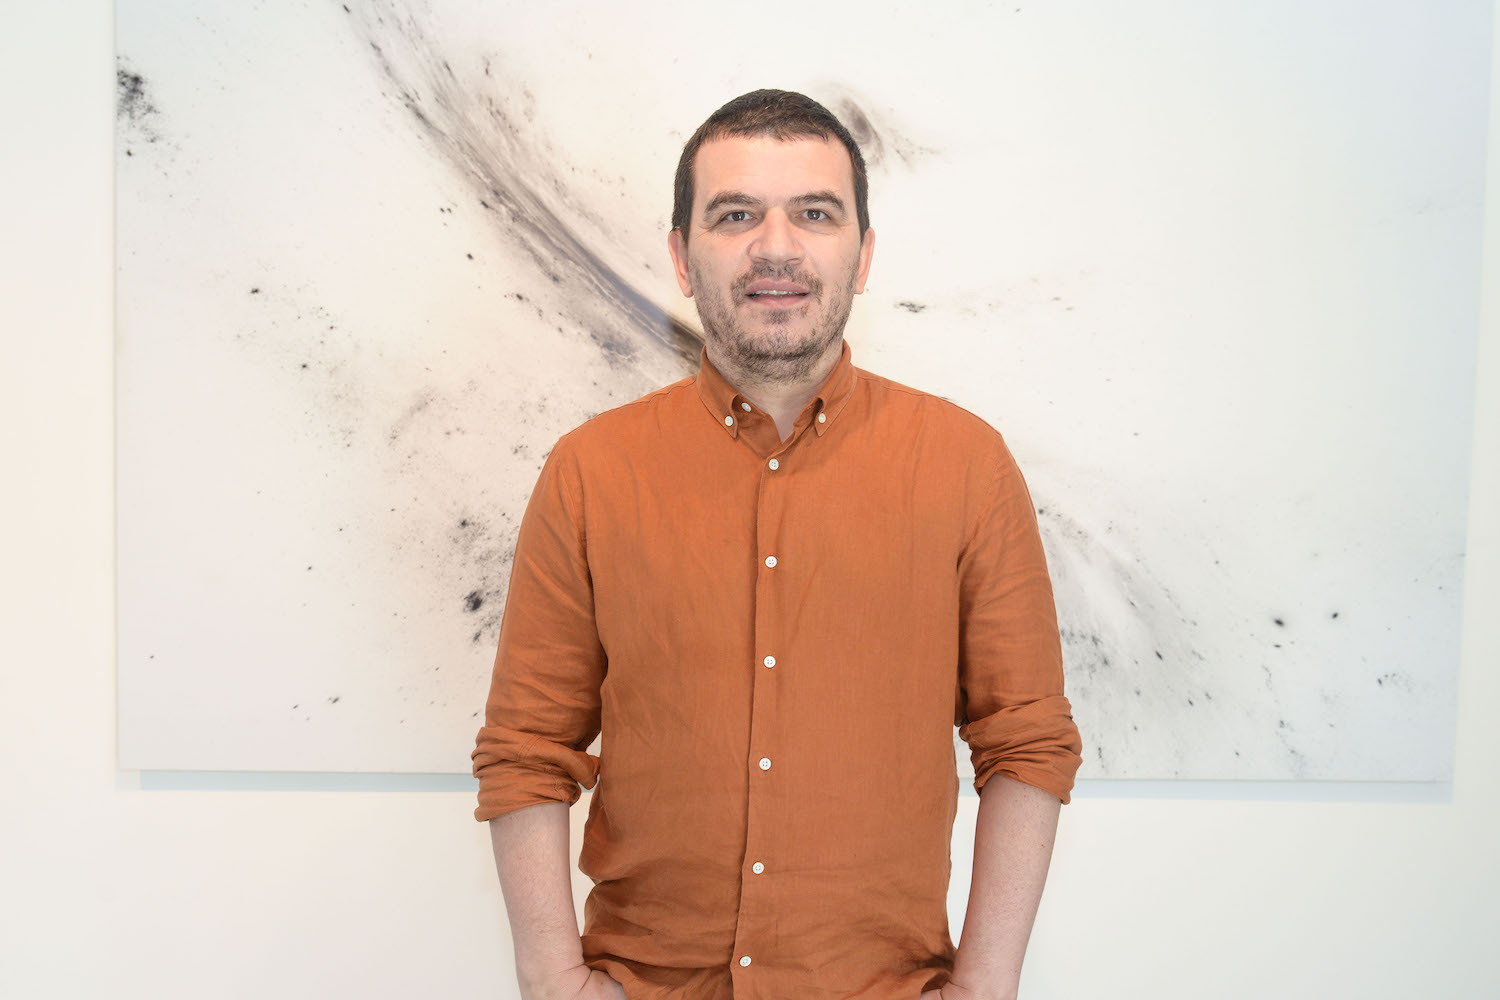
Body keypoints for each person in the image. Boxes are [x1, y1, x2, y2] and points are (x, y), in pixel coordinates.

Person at [472, 89, 1083, 1000]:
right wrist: (553, 980)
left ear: (862, 254)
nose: (776, 247)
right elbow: (527, 745)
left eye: (815, 213)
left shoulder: (967, 466)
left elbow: (1026, 740)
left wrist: (986, 985)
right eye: (735, 215)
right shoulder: (589, 471)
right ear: (682, 257)